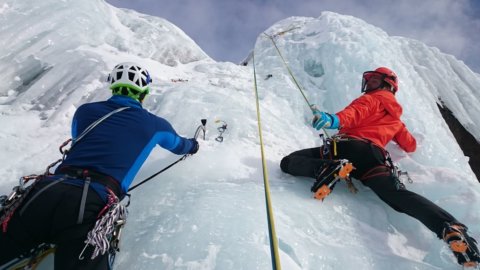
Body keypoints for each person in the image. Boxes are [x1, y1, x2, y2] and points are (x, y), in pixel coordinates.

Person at [0, 62, 199, 269]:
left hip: (45, 191)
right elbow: (179, 145)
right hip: (93, 202)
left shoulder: (86, 112)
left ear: (112, 86)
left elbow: (79, 139)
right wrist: (194, 146)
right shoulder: (156, 125)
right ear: (144, 92)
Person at [280, 67, 480, 267]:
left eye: (375, 80)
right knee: (396, 195)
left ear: (388, 85)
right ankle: (449, 228)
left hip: (347, 147)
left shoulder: (371, 98)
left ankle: (325, 168)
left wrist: (334, 120)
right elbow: (410, 145)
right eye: (370, 80)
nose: (370, 84)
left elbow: (354, 113)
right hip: (373, 159)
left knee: (289, 161)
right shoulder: (396, 120)